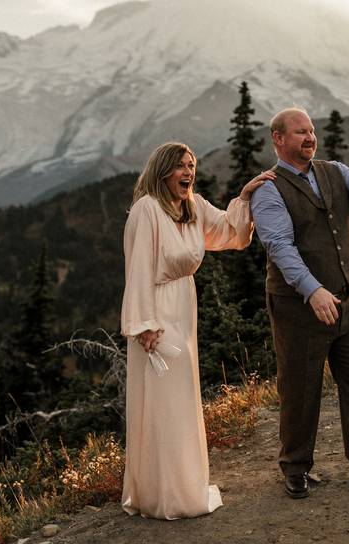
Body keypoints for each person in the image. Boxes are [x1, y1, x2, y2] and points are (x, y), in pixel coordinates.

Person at [250, 107, 349, 499]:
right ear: (278, 139)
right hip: (299, 308)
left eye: (311, 131)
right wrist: (313, 290)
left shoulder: (333, 171)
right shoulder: (268, 189)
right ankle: (295, 468)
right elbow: (280, 248)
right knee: (300, 389)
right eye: (300, 132)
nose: (310, 137)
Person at [120, 141, 274, 519]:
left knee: (182, 401)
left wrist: (245, 197)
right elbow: (138, 266)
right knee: (163, 403)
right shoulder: (147, 210)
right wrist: (144, 325)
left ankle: (182, 487)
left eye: (192, 166)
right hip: (156, 315)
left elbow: (229, 232)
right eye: (180, 167)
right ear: (162, 171)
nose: (188, 172)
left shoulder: (192, 207)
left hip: (184, 310)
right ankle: (162, 494)